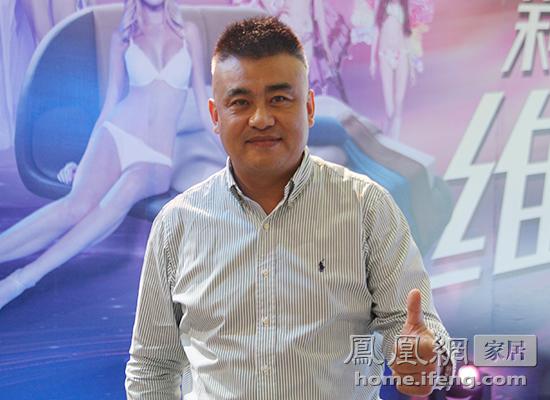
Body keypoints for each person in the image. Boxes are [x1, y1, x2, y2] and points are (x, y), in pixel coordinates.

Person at [125, 16, 453, 399]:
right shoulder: (177, 224)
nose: (261, 119)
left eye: (279, 99)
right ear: (215, 116)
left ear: (310, 108)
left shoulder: (367, 208)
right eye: (241, 102)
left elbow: (415, 328)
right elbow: (153, 367)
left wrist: (425, 360)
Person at [0, 0, 215, 309]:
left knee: (128, 187)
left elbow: (205, 106)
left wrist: (234, 152)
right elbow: (110, 103)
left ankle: (19, 281)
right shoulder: (124, 35)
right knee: (74, 207)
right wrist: (83, 158)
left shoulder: (188, 32)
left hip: (155, 156)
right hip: (115, 134)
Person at [369, 0, 413, 139]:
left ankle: (395, 136)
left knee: (399, 100)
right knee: (389, 102)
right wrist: (372, 60)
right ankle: (390, 133)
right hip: (385, 54)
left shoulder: (404, 6)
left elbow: (407, 34)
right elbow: (376, 31)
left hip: (402, 54)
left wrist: (412, 66)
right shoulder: (381, 4)